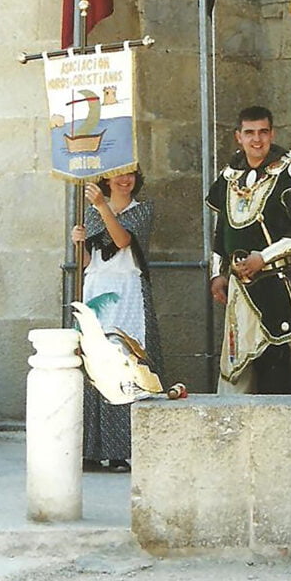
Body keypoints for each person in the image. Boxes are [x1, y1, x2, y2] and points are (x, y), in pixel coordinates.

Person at [207, 106, 291, 395]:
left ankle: (283, 435)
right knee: (242, 369)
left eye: (263, 132)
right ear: (238, 136)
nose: (257, 140)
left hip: (277, 285)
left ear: (272, 133)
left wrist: (262, 257)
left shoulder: (290, 172)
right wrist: (218, 273)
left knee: (277, 365)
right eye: (249, 133)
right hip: (241, 291)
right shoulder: (229, 177)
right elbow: (221, 230)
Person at [71, 168, 164, 471]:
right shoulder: (92, 210)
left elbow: (122, 241)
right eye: (118, 175)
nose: (125, 181)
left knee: (126, 361)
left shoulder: (142, 210)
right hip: (97, 287)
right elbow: (88, 261)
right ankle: (90, 449)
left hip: (128, 290)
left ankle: (121, 449)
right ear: (107, 179)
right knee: (92, 361)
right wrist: (79, 242)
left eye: (130, 176)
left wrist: (101, 206)